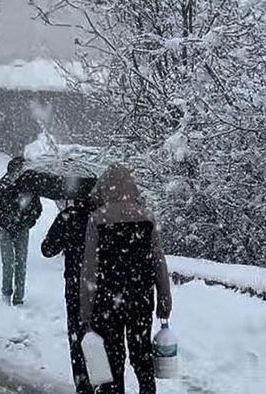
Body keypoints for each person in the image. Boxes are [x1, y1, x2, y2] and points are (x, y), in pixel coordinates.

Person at [79, 164, 172, 394]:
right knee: (141, 353)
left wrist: (86, 309)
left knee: (112, 357)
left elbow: (90, 269)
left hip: (107, 300)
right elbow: (159, 261)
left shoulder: (97, 219)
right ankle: (147, 390)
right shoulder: (147, 218)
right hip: (140, 298)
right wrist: (164, 298)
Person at [41, 176, 98, 394]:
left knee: (78, 335)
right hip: (102, 286)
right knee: (99, 335)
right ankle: (100, 378)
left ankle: (83, 385)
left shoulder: (68, 217)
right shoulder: (105, 218)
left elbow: (47, 249)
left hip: (76, 285)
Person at [0, 156, 43, 306]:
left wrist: (27, 223)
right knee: (9, 262)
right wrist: (1, 224)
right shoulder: (0, 186)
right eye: (21, 170)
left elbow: (37, 209)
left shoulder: (28, 187)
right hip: (5, 229)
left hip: (21, 229)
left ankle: (18, 298)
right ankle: (6, 294)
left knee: (20, 263)